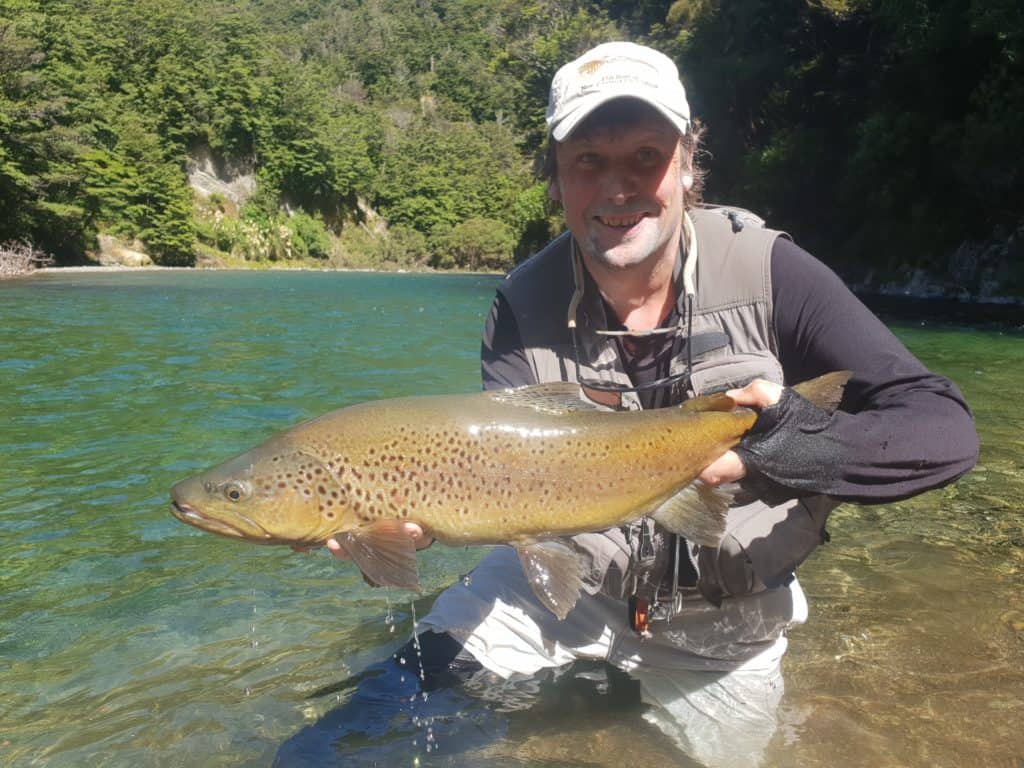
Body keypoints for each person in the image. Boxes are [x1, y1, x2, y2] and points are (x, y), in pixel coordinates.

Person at [277, 42, 979, 767]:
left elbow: (943, 429)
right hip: (562, 592)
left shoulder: (774, 273)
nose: (617, 188)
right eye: (588, 161)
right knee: (351, 741)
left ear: (687, 165)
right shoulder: (521, 304)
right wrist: (401, 529)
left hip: (725, 626)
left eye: (645, 156)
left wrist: (795, 449)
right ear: (555, 177)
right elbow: (508, 483)